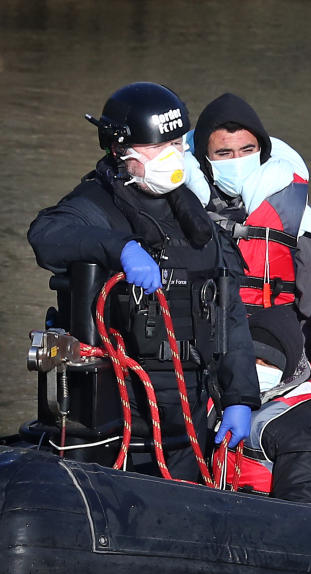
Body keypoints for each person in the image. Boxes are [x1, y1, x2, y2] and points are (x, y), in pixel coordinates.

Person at [27, 82, 260, 480]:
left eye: (178, 143)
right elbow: (45, 234)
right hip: (122, 420)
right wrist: (119, 249)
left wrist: (241, 397)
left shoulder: (193, 217)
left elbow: (228, 312)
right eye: (158, 147)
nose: (172, 155)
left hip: (190, 417)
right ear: (121, 150)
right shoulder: (94, 204)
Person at [184, 93, 311, 355]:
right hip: (199, 344)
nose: (237, 161)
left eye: (247, 150)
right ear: (203, 159)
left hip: (271, 348)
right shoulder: (181, 206)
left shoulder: (300, 217)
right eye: (223, 153)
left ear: (262, 151)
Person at [213, 305, 311, 503]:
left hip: (262, 523)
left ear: (288, 366)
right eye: (252, 360)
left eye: (268, 363)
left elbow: (303, 508)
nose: (257, 369)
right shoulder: (221, 389)